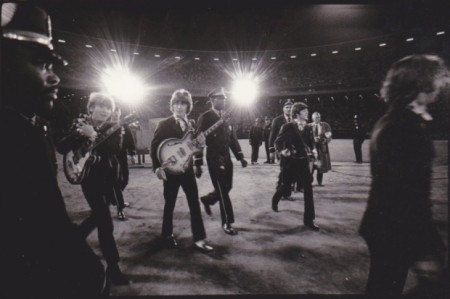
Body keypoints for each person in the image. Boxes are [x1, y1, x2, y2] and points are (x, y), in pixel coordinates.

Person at [1, 3, 107, 297]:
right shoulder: (14, 135)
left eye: (51, 65)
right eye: (40, 63)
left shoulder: (29, 126)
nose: (54, 77)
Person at [359, 54, 449, 296]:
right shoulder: (400, 125)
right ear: (421, 83)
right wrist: (425, 247)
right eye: (439, 78)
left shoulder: (400, 119)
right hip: (394, 227)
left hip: (391, 225)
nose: (443, 84)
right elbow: (405, 193)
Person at [57, 92, 130, 285]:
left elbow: (113, 152)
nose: (106, 111)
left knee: (97, 216)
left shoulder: (114, 128)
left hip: (108, 178)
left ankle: (72, 240)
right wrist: (79, 133)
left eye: (109, 108)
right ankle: (113, 269)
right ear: (91, 108)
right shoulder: (80, 125)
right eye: (102, 106)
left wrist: (94, 135)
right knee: (106, 223)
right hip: (89, 180)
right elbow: (62, 148)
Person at [150, 89, 214, 252]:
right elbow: (154, 147)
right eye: (176, 103)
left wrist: (200, 146)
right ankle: (167, 235)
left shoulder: (192, 125)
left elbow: (194, 147)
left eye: (183, 103)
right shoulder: (163, 124)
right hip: (170, 171)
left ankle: (199, 238)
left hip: (187, 170)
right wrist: (157, 167)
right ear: (172, 106)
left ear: (188, 106)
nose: (179, 107)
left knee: (194, 204)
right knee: (169, 203)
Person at [194, 87, 248, 235]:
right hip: (214, 157)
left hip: (226, 157)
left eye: (225, 98)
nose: (224, 101)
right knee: (223, 190)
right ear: (212, 100)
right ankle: (227, 222)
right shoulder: (205, 117)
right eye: (220, 98)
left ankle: (208, 199)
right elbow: (198, 140)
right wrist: (197, 164)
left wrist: (240, 156)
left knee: (228, 186)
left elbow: (232, 139)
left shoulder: (226, 117)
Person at [271, 102, 320, 231]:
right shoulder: (287, 127)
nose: (307, 113)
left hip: (304, 162)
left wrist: (314, 152)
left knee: (308, 190)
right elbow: (277, 142)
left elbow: (312, 143)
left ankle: (309, 220)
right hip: (291, 163)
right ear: (297, 113)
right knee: (285, 186)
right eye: (305, 111)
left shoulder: (309, 127)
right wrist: (282, 151)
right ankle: (275, 199)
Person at [116, 121, 137, 220]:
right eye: (114, 110)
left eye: (118, 111)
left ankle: (115, 197)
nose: (116, 113)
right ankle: (120, 208)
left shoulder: (124, 125)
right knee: (115, 182)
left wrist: (132, 154)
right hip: (109, 157)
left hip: (122, 156)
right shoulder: (105, 126)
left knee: (125, 180)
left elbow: (130, 140)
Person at [309, 112, 332, 186]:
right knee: (311, 166)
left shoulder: (325, 125)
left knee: (320, 166)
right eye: (316, 117)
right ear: (312, 118)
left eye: (318, 117)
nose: (317, 119)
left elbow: (329, 135)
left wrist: (324, 140)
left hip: (322, 149)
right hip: (312, 149)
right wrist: (312, 140)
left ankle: (319, 183)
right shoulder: (308, 126)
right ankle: (309, 183)